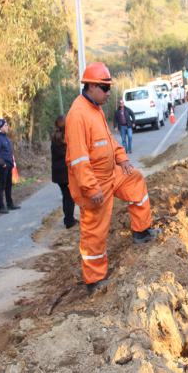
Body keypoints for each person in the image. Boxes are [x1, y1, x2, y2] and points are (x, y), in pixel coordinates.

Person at [65, 62, 161, 296]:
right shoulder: (78, 115)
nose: (109, 93)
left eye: (109, 88)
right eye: (104, 88)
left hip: (110, 174)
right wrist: (91, 188)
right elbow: (78, 160)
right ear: (90, 87)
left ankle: (141, 231)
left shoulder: (95, 109)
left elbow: (108, 139)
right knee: (95, 231)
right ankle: (94, 281)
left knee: (135, 179)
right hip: (94, 183)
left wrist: (121, 157)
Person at [51, 115, 78, 229]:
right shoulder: (66, 138)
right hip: (65, 173)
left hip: (57, 172)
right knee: (70, 196)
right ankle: (69, 221)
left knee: (65, 196)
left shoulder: (55, 136)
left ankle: (68, 218)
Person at [0, 119, 21, 214]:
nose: (7, 127)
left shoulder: (5, 137)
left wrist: (10, 163)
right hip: (3, 167)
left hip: (9, 165)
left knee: (9, 185)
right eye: (5, 125)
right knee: (1, 186)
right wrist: (3, 164)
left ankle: (10, 203)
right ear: (0, 127)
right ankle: (1, 206)